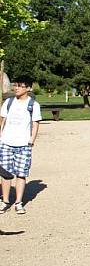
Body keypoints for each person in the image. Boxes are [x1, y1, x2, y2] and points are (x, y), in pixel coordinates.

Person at [0, 76, 42, 214]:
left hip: (23, 144)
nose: (16, 88)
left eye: (20, 86)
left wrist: (31, 141)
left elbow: (35, 124)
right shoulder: (8, 102)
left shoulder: (33, 105)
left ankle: (18, 202)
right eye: (15, 85)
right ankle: (5, 201)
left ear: (28, 88)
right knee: (5, 174)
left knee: (21, 174)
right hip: (6, 142)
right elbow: (2, 121)